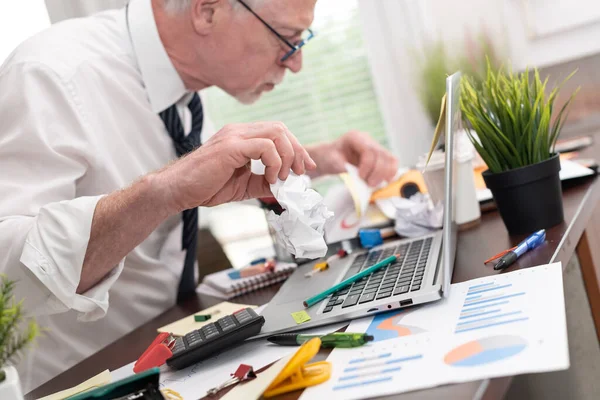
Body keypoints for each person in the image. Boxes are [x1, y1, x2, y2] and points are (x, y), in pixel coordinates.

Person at [0, 0, 398, 392]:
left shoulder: (179, 84)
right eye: (288, 38)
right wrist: (163, 191)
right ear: (208, 11)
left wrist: (323, 157)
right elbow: (8, 267)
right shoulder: (49, 73)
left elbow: (199, 177)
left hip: (173, 346)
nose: (296, 63)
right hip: (85, 375)